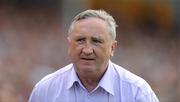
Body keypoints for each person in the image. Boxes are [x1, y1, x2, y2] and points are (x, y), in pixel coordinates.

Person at [29, 9, 159, 102]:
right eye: (80, 40)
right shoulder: (45, 90)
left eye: (96, 41)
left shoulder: (137, 92)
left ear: (112, 48)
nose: (87, 50)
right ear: (69, 44)